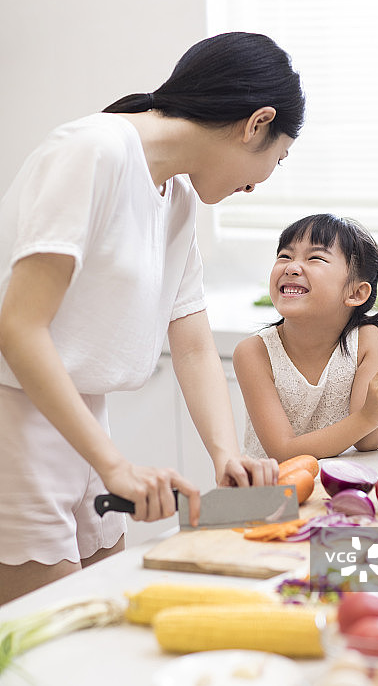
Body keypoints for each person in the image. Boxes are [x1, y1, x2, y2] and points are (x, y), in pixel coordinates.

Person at [0, 31, 305, 604]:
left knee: (103, 616)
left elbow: (190, 341)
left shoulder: (177, 198)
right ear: (256, 122)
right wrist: (115, 466)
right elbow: (18, 328)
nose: (260, 181)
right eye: (277, 158)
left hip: (82, 415)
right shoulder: (93, 151)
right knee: (56, 646)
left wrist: (225, 454)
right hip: (13, 420)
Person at [233, 213, 378, 461]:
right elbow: (283, 452)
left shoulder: (366, 341)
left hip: (333, 490)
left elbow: (369, 439)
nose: (291, 267)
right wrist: (366, 417)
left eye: (315, 258)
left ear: (356, 293)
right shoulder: (253, 352)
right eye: (285, 256)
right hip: (270, 492)